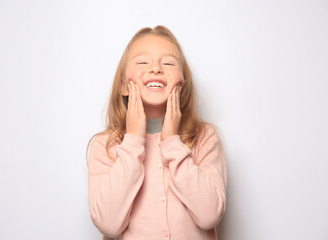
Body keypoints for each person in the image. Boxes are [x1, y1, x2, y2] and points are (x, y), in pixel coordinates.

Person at [86, 25, 227, 240]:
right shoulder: (107, 145)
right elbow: (108, 224)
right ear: (124, 85)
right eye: (143, 62)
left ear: (183, 86)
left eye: (168, 63)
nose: (156, 69)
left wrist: (172, 142)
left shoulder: (204, 138)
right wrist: (133, 140)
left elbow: (209, 216)